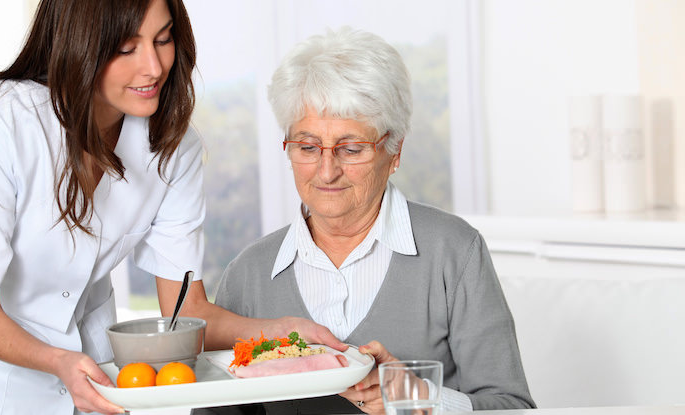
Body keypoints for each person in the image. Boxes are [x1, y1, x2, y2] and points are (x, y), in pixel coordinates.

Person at [0, 1, 344, 414]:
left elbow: (186, 311)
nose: (153, 66)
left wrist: (286, 332)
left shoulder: (173, 148)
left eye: (163, 40)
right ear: (77, 45)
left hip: (99, 382)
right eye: (127, 48)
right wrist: (57, 361)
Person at [213, 27, 536, 414]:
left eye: (351, 148)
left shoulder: (455, 253)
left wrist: (424, 402)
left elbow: (514, 407)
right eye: (307, 147)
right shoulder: (247, 276)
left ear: (395, 150)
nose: (326, 171)